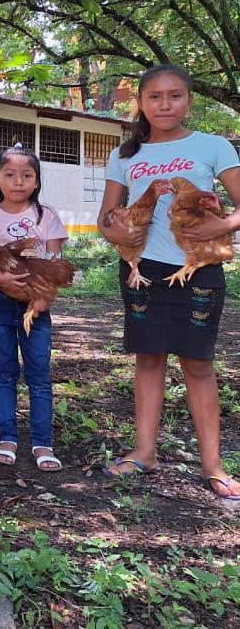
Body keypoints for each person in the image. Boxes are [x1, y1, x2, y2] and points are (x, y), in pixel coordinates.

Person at [97, 64, 240, 505]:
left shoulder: (212, 146)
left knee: (197, 364)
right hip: (144, 269)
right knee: (149, 359)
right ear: (141, 102)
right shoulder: (125, 154)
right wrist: (115, 232)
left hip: (199, 267)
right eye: (155, 97)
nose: (165, 104)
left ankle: (213, 465)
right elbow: (106, 218)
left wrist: (226, 224)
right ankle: (145, 452)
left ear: (189, 101)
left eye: (174, 96)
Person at [0, 144, 68, 472]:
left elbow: (53, 263)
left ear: (36, 181)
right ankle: (6, 437)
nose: (18, 181)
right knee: (5, 372)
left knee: (39, 373)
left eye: (27, 175)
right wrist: (2, 282)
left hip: (36, 303)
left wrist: (41, 300)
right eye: (10, 175)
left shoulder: (45, 215)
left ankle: (42, 441)